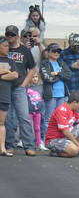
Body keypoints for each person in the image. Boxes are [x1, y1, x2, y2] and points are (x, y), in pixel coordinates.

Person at [4, 24, 38, 155]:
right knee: (8, 119)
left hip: (19, 88)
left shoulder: (24, 50)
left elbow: (33, 68)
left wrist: (24, 83)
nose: (10, 37)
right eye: (8, 35)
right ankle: (10, 145)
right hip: (5, 88)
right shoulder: (3, 50)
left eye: (12, 35)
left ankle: (29, 146)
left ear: (17, 36)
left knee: (24, 116)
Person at [43, 90, 79, 158]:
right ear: (74, 102)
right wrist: (78, 145)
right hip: (53, 140)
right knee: (74, 150)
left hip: (65, 138)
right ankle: (57, 152)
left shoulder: (73, 110)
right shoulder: (61, 110)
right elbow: (66, 132)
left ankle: (74, 148)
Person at [37, 42, 70, 148]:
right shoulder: (44, 63)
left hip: (63, 96)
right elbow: (47, 78)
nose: (56, 53)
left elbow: (69, 75)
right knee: (48, 119)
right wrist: (61, 76)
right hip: (50, 96)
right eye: (54, 51)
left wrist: (57, 74)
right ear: (48, 52)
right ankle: (46, 141)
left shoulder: (61, 63)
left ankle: (58, 141)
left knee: (60, 120)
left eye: (58, 51)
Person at [0, 37, 20, 156]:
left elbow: (15, 75)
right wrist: (7, 72)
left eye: (8, 46)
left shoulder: (10, 61)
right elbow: (10, 73)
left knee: (1, 122)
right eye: (5, 46)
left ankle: (2, 148)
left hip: (4, 95)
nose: (8, 48)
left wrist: (2, 75)